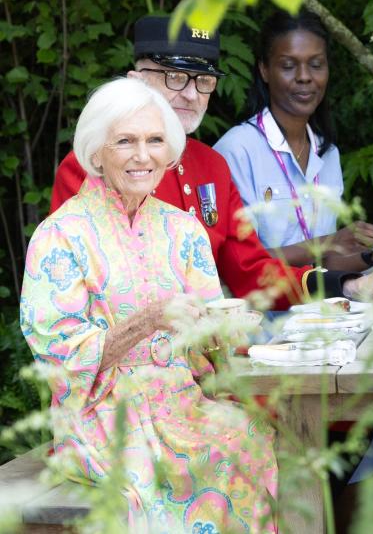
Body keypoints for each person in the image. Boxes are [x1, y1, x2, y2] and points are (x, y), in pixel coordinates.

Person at [22, 78, 278, 531]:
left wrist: (219, 332)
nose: (143, 156)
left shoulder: (184, 229)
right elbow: (56, 356)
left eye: (155, 140)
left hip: (180, 401)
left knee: (248, 439)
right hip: (101, 413)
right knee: (160, 474)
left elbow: (205, 345)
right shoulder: (59, 236)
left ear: (170, 151)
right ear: (96, 152)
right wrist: (146, 321)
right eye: (125, 141)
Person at [50, 15, 373, 304]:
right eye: (174, 77)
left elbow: (250, 270)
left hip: (213, 356)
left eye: (204, 80)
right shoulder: (93, 163)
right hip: (129, 367)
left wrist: (347, 286)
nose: (191, 94)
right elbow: (73, 289)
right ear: (135, 80)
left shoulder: (210, 166)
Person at [215, 10, 373, 271]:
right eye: (289, 66)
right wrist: (328, 242)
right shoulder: (236, 150)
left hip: (326, 309)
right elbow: (238, 262)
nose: (305, 76)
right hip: (264, 311)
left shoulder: (327, 154)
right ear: (265, 70)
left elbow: (324, 263)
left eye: (316, 64)